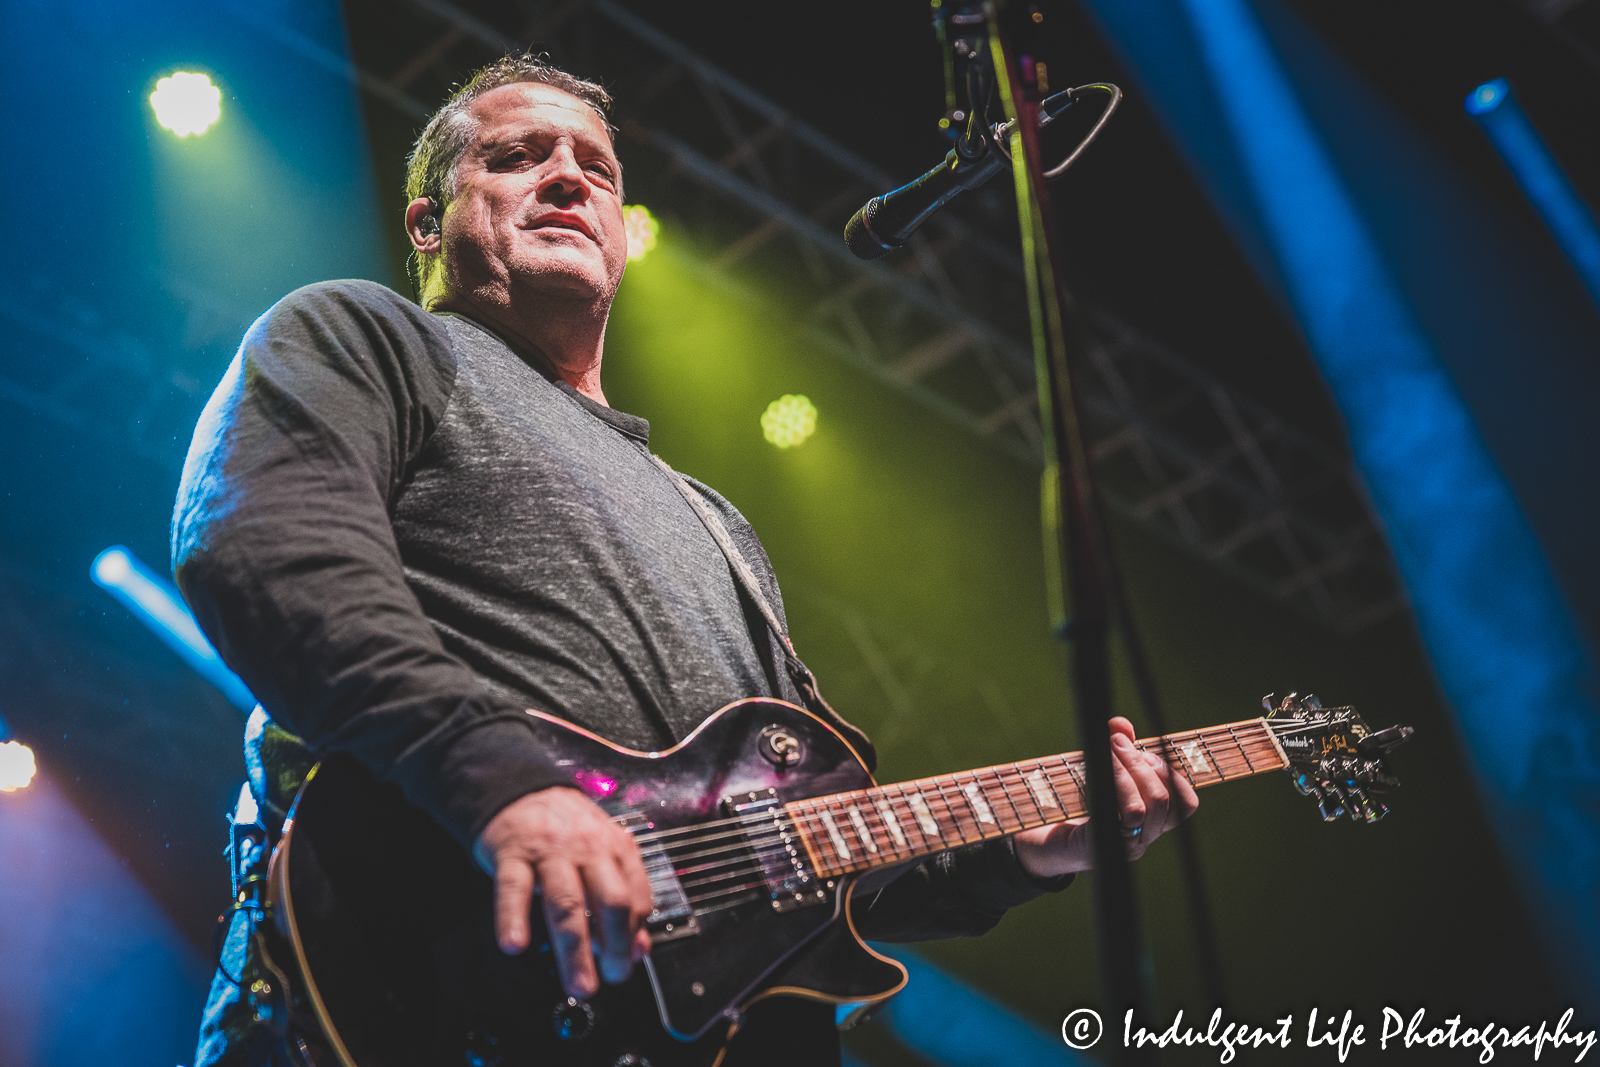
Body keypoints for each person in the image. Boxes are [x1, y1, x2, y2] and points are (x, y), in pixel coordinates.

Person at [176, 54, 1198, 1067]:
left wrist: (1023, 848)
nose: (569, 178)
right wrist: (500, 783)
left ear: (623, 230)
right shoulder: (368, 335)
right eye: (519, 156)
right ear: (428, 220)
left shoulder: (715, 520)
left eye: (597, 168)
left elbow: (795, 851)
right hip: (422, 985)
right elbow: (266, 549)